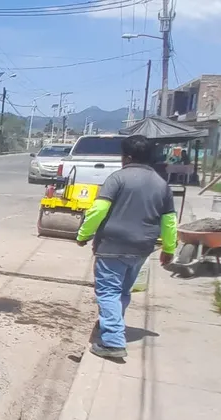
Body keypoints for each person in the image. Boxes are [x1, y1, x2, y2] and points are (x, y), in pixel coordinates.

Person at [75, 135, 178, 359]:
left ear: (127, 157)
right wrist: (169, 248)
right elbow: (169, 221)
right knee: (122, 291)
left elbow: (98, 210)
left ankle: (112, 341)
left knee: (108, 291)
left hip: (112, 245)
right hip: (142, 248)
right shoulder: (162, 184)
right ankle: (112, 324)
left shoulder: (117, 179)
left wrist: (83, 234)